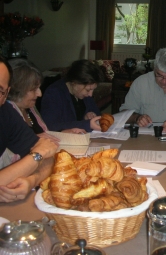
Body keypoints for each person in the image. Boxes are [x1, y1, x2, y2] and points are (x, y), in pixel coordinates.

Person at [0, 56, 58, 203]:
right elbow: (42, 152)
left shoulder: (6, 113)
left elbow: (49, 157)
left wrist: (32, 180)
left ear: (6, 94)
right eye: (33, 89)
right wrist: (37, 155)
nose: (39, 94)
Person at [7, 58, 86, 134]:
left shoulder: (30, 109)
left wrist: (62, 133)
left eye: (39, 88)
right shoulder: (7, 115)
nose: (40, 94)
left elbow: (44, 135)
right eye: (34, 89)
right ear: (17, 89)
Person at [41, 59, 103, 132]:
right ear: (75, 82)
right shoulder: (53, 93)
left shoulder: (83, 94)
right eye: (88, 90)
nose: (90, 94)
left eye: (93, 90)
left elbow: (98, 114)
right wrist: (87, 124)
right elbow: (51, 126)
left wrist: (90, 115)